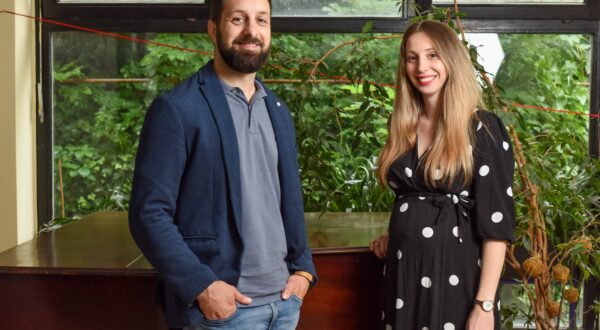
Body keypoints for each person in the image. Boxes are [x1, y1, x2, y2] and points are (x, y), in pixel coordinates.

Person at [129, 0, 316, 329]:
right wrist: (203, 287)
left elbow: (288, 199)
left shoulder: (278, 110)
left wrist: (303, 269)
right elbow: (149, 214)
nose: (251, 31)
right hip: (221, 312)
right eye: (238, 19)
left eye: (262, 20)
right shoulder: (177, 109)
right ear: (213, 30)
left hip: (284, 305)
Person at [369, 20, 515, 330]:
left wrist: (484, 305)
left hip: (457, 283)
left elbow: (497, 228)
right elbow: (417, 201)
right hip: (402, 281)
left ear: (451, 59)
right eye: (412, 57)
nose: (422, 66)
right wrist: (397, 234)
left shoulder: (483, 128)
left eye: (433, 54)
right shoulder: (402, 128)